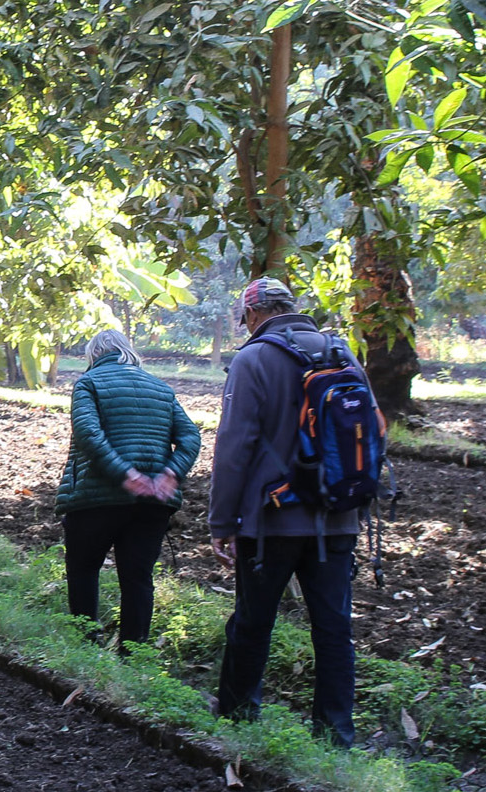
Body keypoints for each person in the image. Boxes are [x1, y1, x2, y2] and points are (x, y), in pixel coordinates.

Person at [210, 277, 362, 748]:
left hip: (271, 519)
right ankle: (335, 734)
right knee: (334, 628)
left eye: (246, 319)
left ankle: (237, 717)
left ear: (254, 315)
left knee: (253, 621)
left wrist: (221, 522)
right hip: (337, 517)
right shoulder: (342, 353)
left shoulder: (253, 359)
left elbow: (234, 447)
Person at [56, 329, 201, 651]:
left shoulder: (89, 383)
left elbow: (88, 434)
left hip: (97, 499)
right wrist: (170, 474)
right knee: (138, 578)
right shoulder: (162, 389)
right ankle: (133, 656)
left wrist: (125, 474)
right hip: (153, 502)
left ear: (93, 355)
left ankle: (85, 648)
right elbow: (191, 437)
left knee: (83, 569)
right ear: (129, 351)